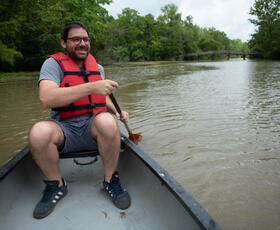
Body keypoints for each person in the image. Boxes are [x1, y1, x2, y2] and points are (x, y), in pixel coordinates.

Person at [29, 21, 131, 219]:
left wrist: (118, 111)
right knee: (38, 132)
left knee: (108, 121)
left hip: (92, 125)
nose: (82, 43)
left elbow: (102, 96)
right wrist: (92, 87)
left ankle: (110, 180)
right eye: (75, 39)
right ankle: (56, 184)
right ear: (63, 43)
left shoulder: (97, 67)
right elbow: (46, 98)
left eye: (85, 39)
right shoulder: (52, 64)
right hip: (63, 128)